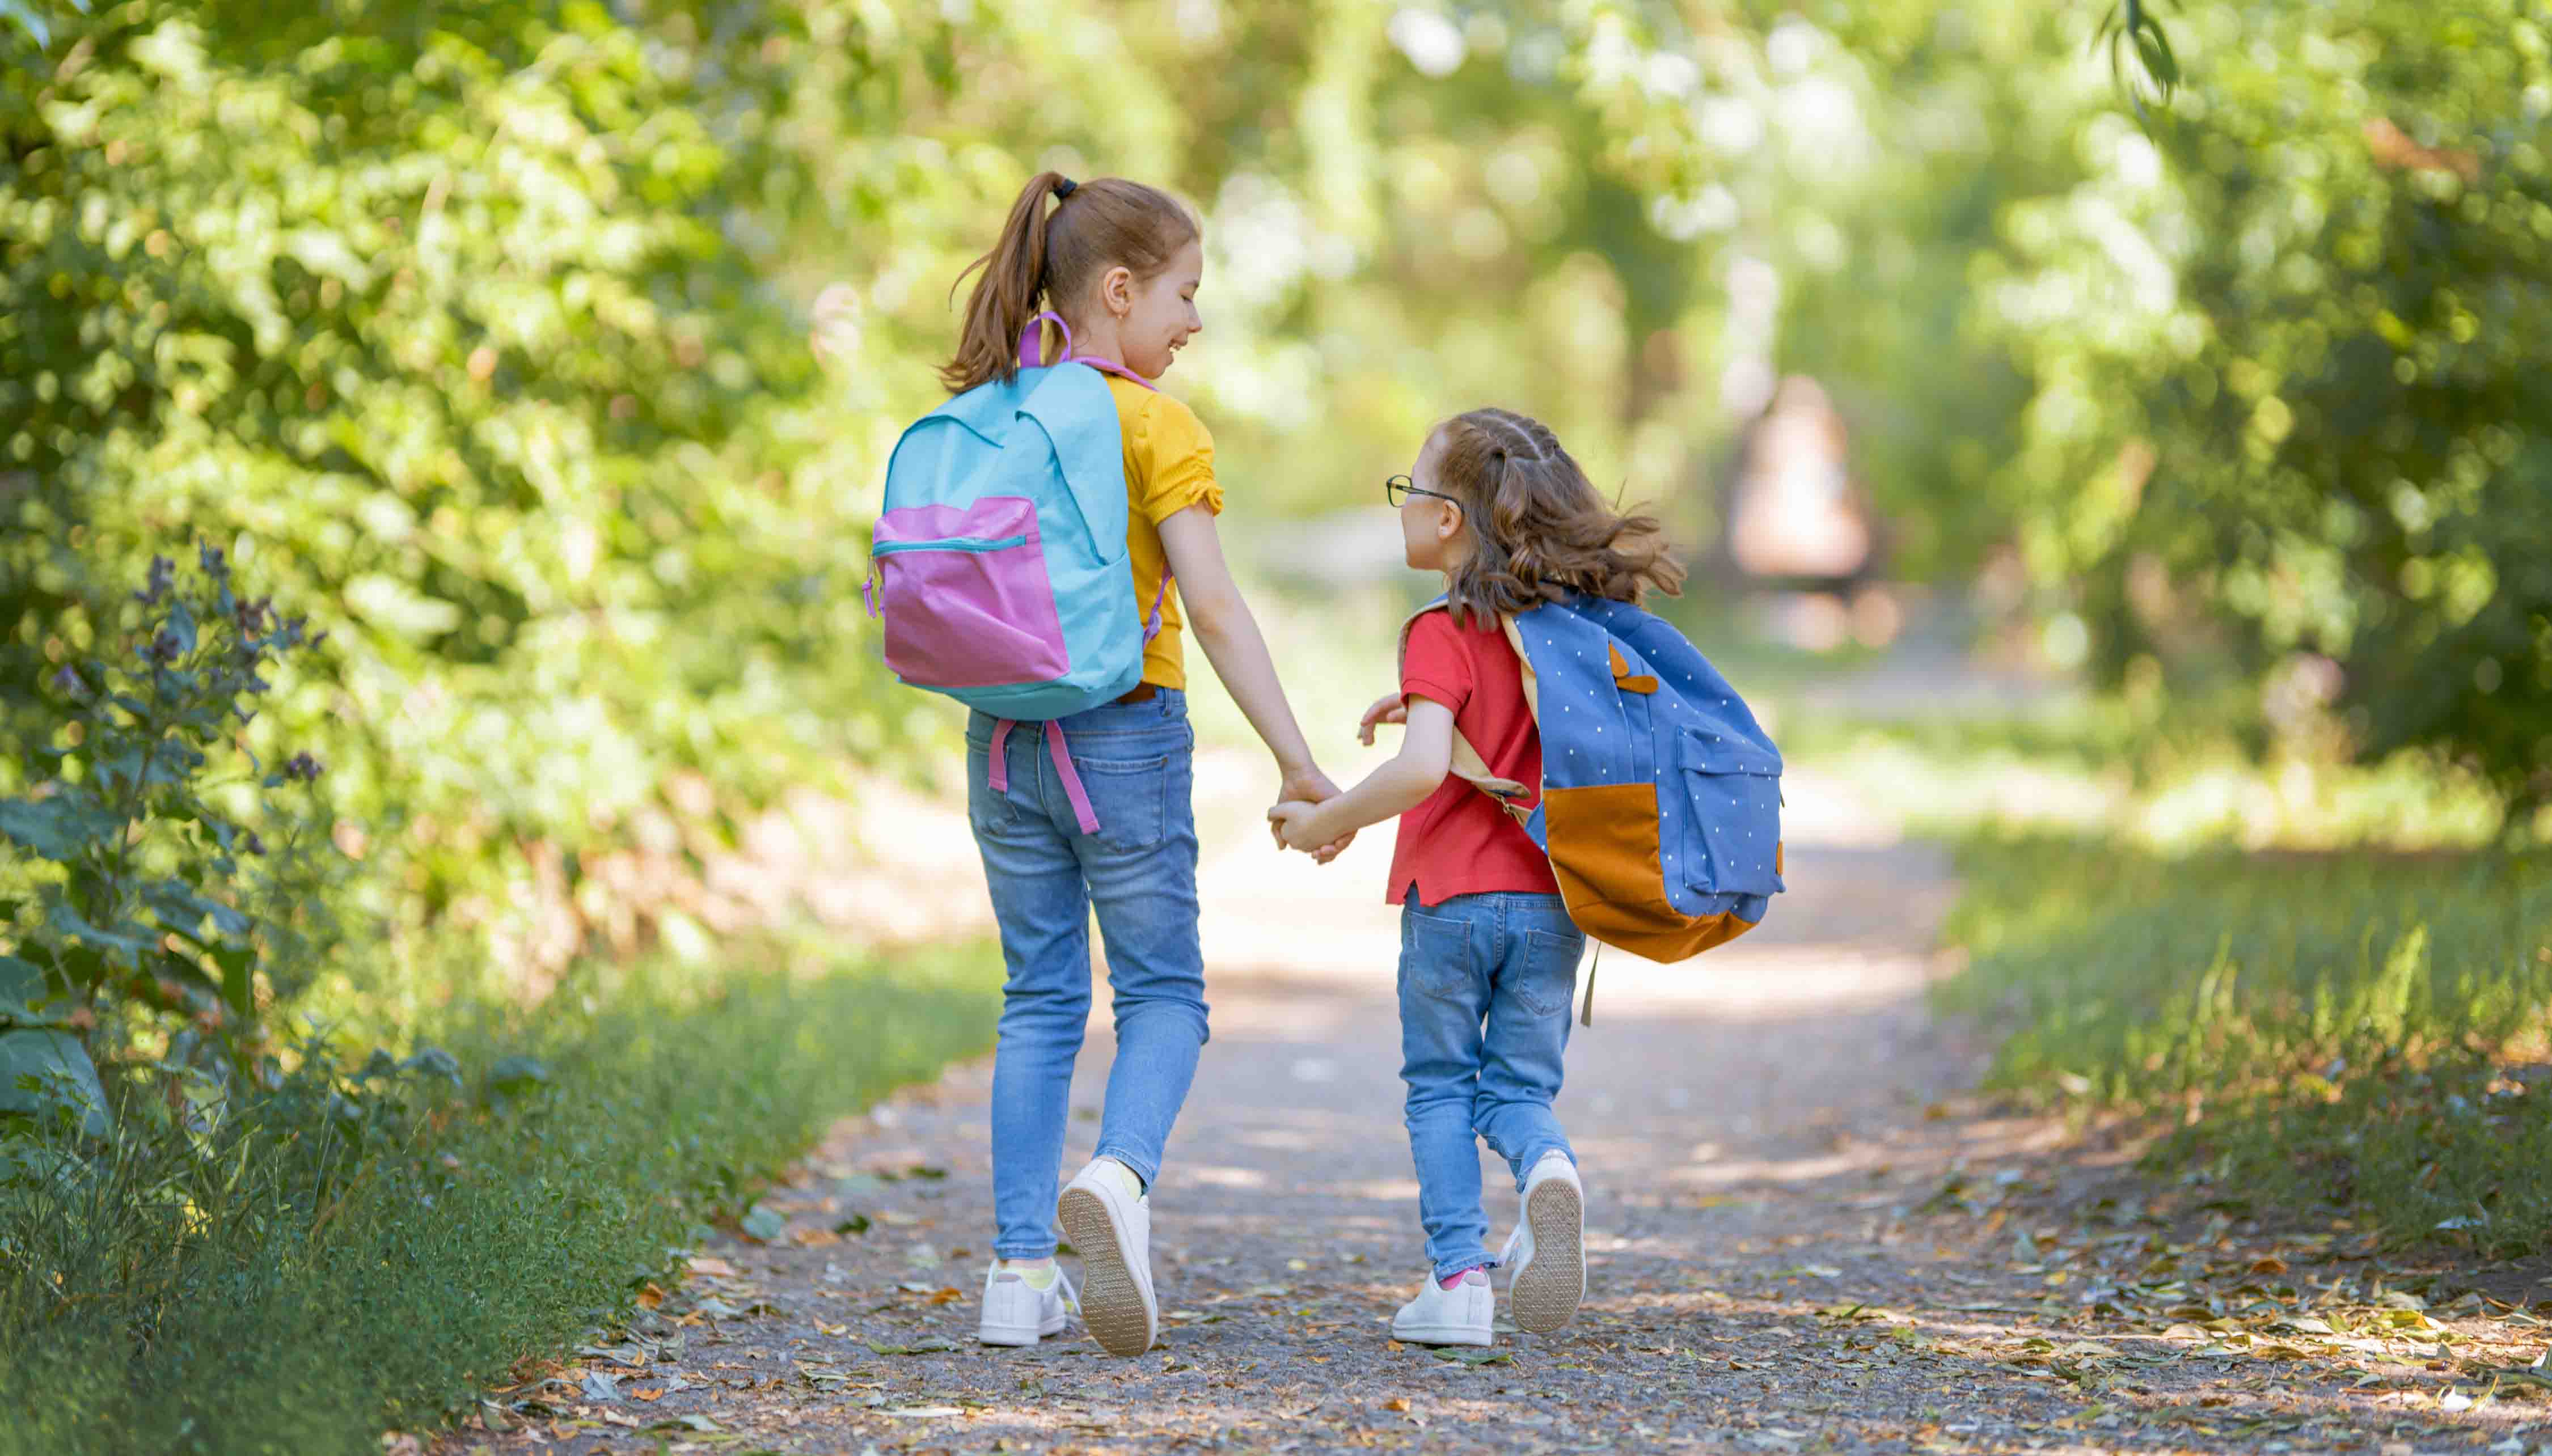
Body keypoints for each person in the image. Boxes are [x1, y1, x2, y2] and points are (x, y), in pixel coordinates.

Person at [939, 172, 1346, 1356]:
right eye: (1184, 293)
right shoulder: (1155, 424)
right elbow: (1212, 608)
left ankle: (1017, 1277)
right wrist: (1297, 758)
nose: (1195, 321)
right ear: (1118, 291)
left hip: (1002, 740)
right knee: (1164, 992)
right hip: (1122, 729)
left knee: (1039, 997)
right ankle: (1118, 1179)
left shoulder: (1001, 404)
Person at [1267, 408, 1683, 1346]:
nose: (1403, 506)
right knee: (1518, 1094)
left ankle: (1458, 1281)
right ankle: (1548, 1171)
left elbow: (1420, 769)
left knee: (1442, 1088)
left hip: (1450, 904)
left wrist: (1325, 824)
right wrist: (1428, 710)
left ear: (1449, 518)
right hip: (1551, 902)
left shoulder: (1441, 627)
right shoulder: (1569, 629)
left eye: (1409, 489)